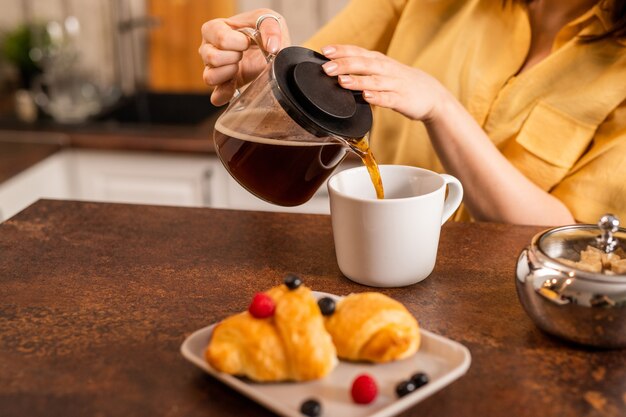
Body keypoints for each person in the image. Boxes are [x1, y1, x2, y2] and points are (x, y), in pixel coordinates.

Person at [199, 0, 626, 226]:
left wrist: (440, 107)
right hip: (375, 275)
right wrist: (260, 62)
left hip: (511, 303)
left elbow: (573, 237)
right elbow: (313, 83)